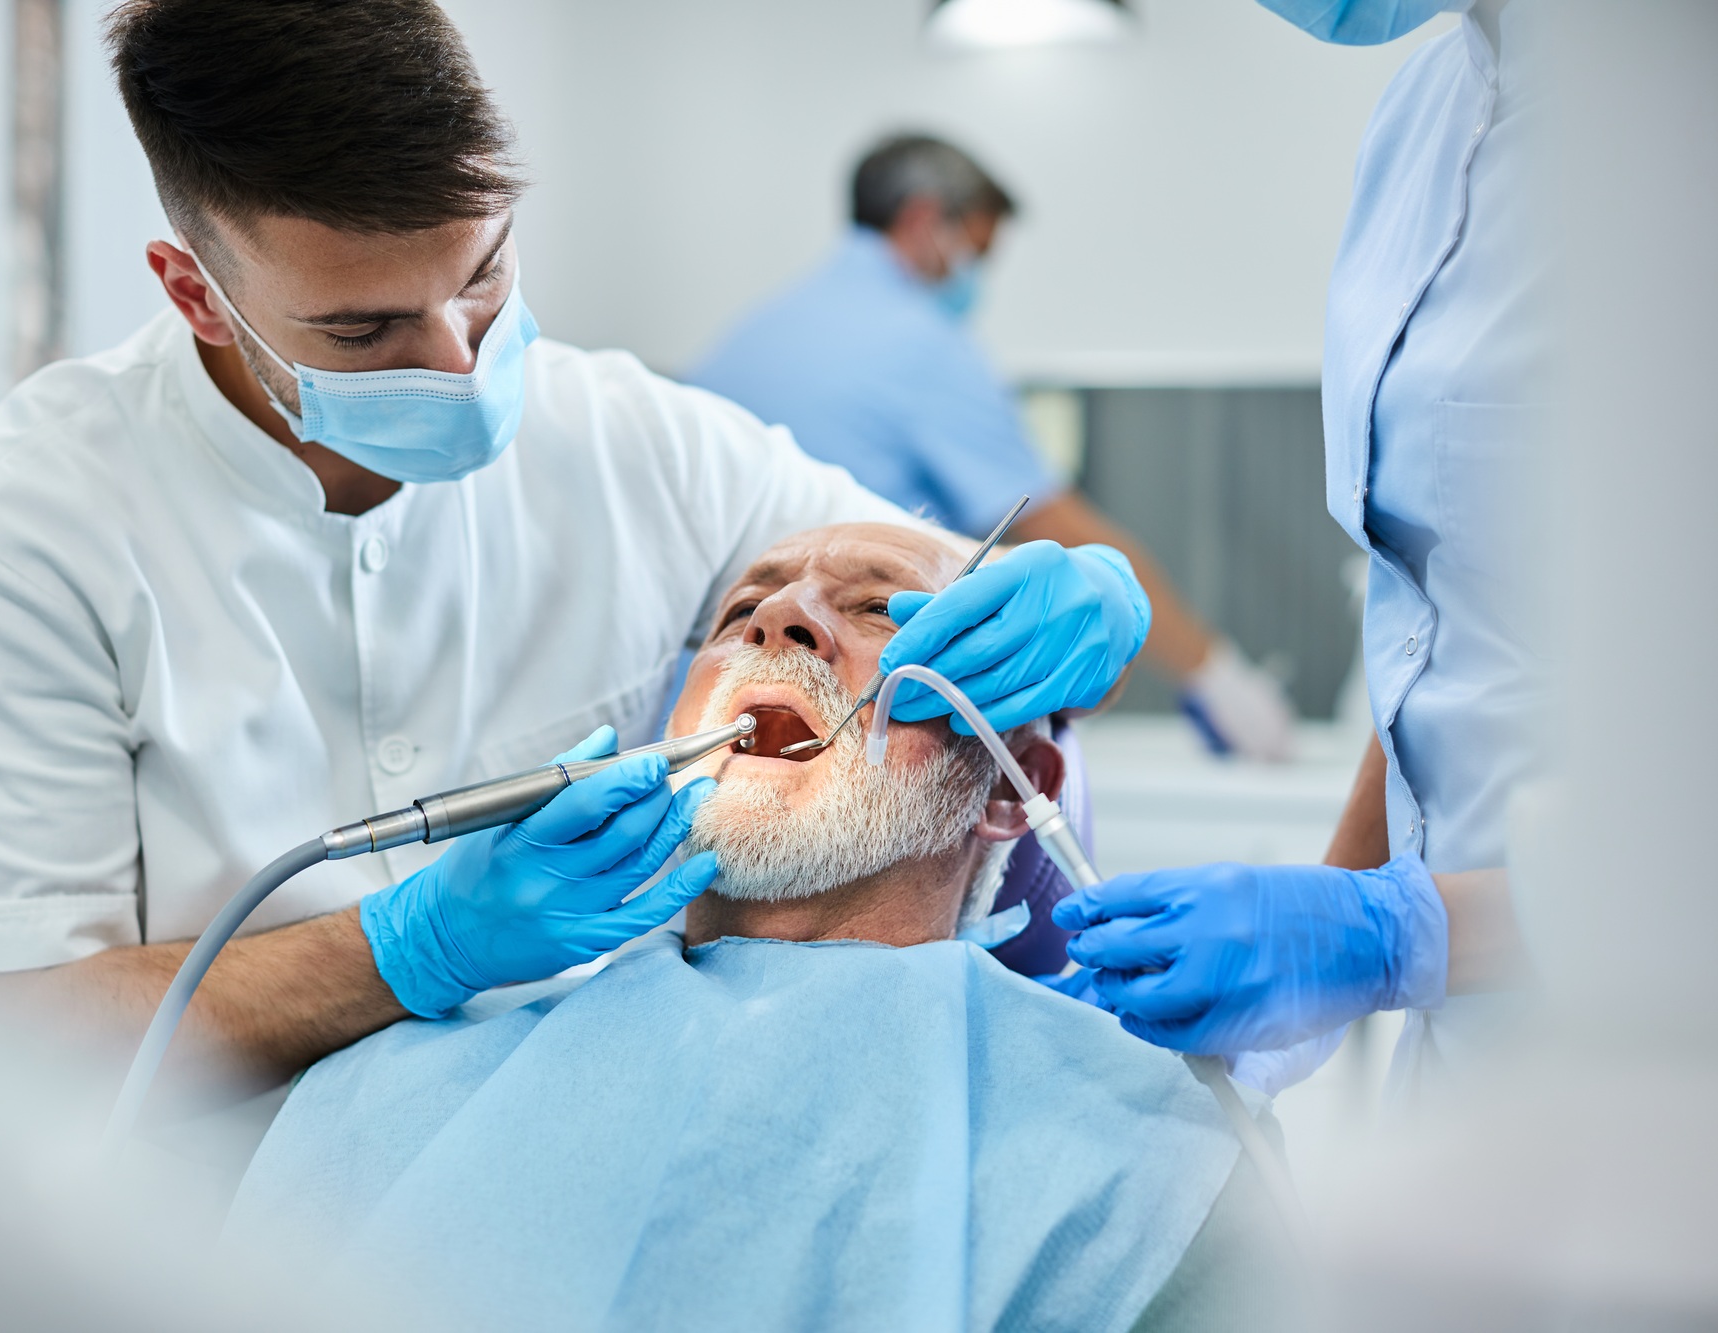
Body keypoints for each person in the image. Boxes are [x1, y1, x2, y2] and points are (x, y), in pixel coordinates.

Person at [0, 0, 1152, 1121]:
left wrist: (1075, 595)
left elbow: (898, 576)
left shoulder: (642, 443)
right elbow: (18, 1046)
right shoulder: (9, 546)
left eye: (481, 281)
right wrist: (415, 947)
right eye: (364, 330)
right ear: (197, 292)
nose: (460, 364)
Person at [229, 523, 1288, 1333]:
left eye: (880, 610)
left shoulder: (1134, 1159)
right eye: (743, 609)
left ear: (1015, 788)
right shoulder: (397, 1083)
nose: (777, 624)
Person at [1052, 0, 1542, 1097]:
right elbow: (1446, 610)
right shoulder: (1423, 119)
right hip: (1468, 1062)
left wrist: (1387, 933)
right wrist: (1336, 924)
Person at [691, 134, 1297, 760]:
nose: (975, 276)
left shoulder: (751, 335)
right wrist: (1216, 676)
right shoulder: (919, 343)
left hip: (718, 698)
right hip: (850, 713)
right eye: (976, 250)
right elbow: (1057, 524)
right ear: (925, 220)